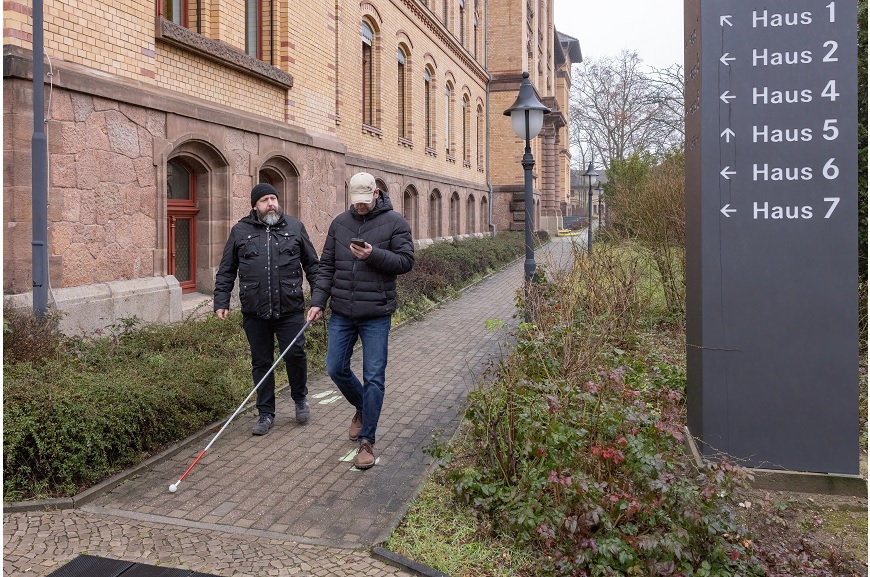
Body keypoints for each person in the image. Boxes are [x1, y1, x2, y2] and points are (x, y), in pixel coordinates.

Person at [306, 172, 415, 469]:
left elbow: (406, 261)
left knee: (374, 377)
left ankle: (367, 440)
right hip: (342, 311)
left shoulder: (395, 223)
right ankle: (362, 407)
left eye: (366, 202)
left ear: (376, 194)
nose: (361, 207)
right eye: (357, 202)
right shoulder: (340, 224)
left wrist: (373, 254)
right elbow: (326, 266)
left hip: (376, 314)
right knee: (335, 367)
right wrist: (317, 302)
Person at [214, 182, 319, 435]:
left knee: (295, 355)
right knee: (261, 362)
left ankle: (299, 398)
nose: (271, 203)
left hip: (290, 309)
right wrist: (221, 301)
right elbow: (227, 269)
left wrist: (318, 300)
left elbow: (313, 266)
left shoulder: (295, 227)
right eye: (264, 200)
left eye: (273, 198)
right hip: (255, 312)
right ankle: (265, 413)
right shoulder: (240, 231)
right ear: (254, 205)